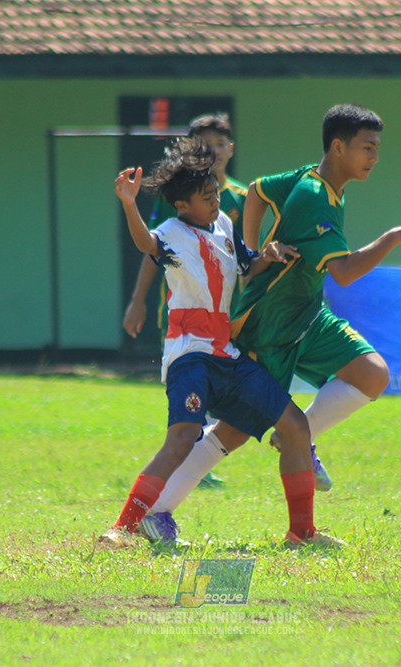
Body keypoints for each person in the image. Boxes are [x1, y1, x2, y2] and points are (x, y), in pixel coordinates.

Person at [137, 104, 401, 545]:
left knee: (371, 373)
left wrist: (250, 252)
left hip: (308, 314)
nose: (375, 157)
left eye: (377, 148)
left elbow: (257, 191)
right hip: (271, 326)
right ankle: (158, 511)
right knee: (231, 433)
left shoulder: (313, 178)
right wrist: (393, 237)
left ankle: (297, 451)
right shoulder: (314, 197)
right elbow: (344, 272)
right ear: (338, 148)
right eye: (368, 148)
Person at [98, 137, 344, 550]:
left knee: (296, 425)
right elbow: (145, 244)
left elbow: (245, 264)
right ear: (182, 205)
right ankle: (122, 529)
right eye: (207, 197)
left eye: (216, 193)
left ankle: (302, 534)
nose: (216, 201)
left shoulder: (225, 227)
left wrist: (268, 254)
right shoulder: (171, 232)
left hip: (227, 355)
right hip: (190, 356)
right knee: (182, 438)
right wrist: (128, 204)